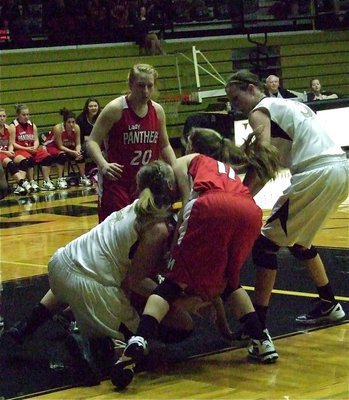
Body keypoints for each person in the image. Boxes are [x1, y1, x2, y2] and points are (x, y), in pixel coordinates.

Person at [111, 126, 281, 390]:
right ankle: (262, 341)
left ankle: (139, 339)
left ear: (191, 146)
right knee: (230, 282)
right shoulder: (226, 168)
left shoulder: (184, 162)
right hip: (249, 210)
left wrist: (176, 244)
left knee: (172, 282)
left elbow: (191, 202)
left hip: (209, 205)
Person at [2, 160, 196, 386]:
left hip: (61, 264)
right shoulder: (157, 226)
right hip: (88, 284)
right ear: (171, 188)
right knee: (146, 339)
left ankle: (26, 326)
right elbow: (136, 281)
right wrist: (172, 297)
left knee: (86, 280)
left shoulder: (133, 207)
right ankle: (92, 345)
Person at [224, 69, 348, 331]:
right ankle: (329, 304)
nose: (235, 107)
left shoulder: (260, 110)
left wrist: (240, 198)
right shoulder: (288, 104)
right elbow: (267, 162)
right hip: (340, 169)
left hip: (316, 173)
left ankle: (257, 325)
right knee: (299, 243)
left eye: (236, 99)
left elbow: (265, 160)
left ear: (250, 88)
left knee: (264, 247)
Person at [87, 63, 176, 222]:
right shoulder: (115, 109)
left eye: (150, 86)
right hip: (118, 181)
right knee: (118, 230)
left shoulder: (157, 110)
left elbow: (165, 145)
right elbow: (92, 141)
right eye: (141, 86)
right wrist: (103, 165)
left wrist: (175, 169)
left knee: (148, 229)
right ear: (130, 84)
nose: (146, 91)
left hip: (147, 181)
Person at [10, 104, 55, 191]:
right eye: (24, 115)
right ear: (18, 115)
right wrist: (27, 149)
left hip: (31, 148)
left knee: (47, 157)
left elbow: (36, 140)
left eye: (27, 114)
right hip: (20, 150)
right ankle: (31, 181)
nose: (26, 117)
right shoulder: (13, 126)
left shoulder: (32, 125)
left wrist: (35, 147)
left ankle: (46, 181)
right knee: (29, 160)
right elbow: (12, 143)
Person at [45, 108, 92, 189]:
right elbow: (60, 146)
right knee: (61, 155)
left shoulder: (77, 128)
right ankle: (60, 179)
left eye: (73, 122)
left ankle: (82, 176)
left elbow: (78, 144)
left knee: (81, 154)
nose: (71, 124)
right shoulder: (58, 128)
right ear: (64, 122)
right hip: (53, 146)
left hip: (68, 147)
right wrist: (72, 152)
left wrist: (77, 151)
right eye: (69, 122)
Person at [0, 106, 32, 195]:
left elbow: (11, 143)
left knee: (24, 161)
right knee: (10, 163)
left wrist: (10, 150)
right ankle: (23, 183)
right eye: (0, 116)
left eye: (3, 116)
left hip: (7, 152)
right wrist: (6, 152)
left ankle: (19, 186)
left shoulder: (8, 128)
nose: (2, 118)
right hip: (1, 153)